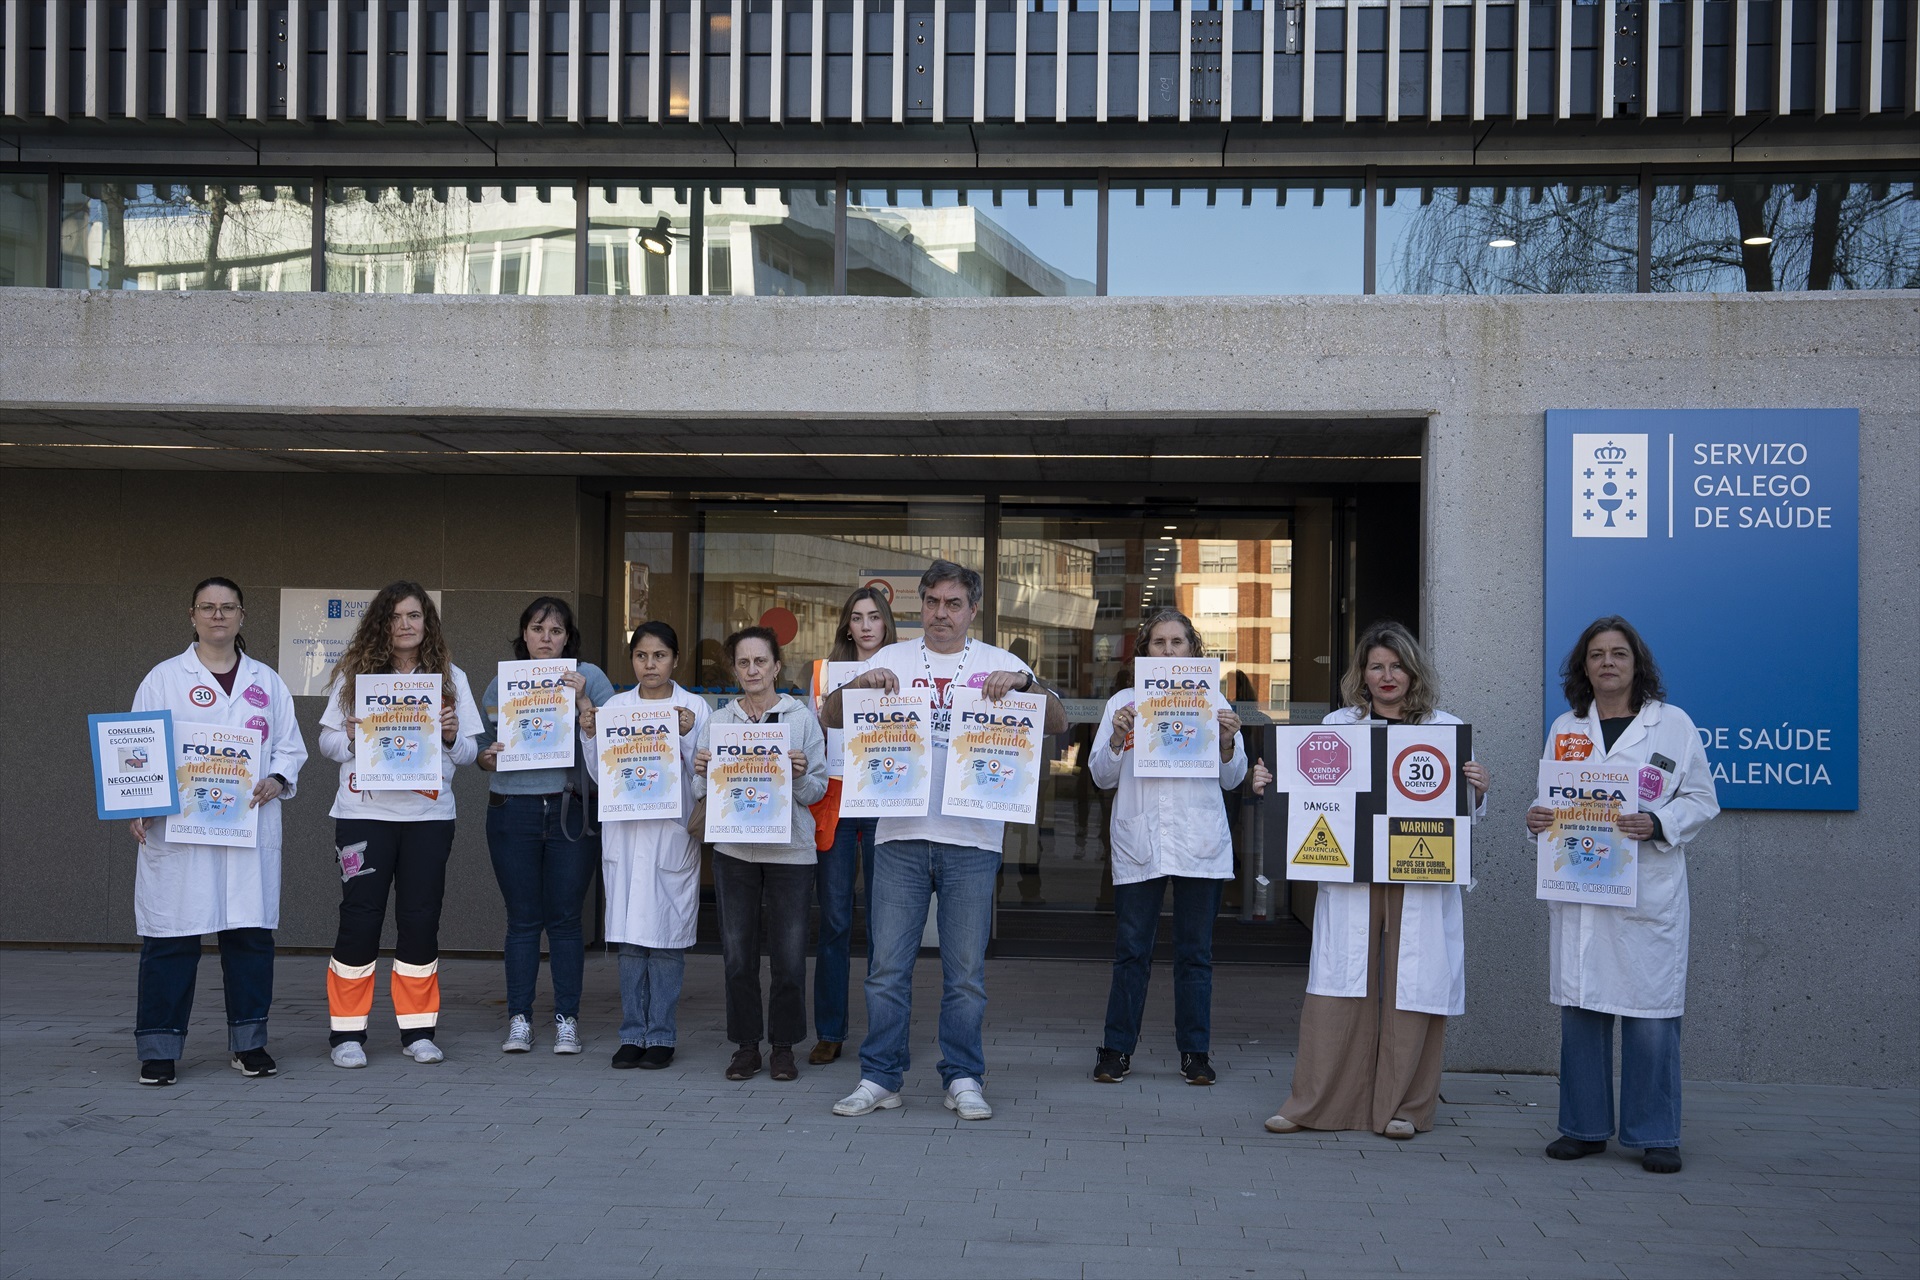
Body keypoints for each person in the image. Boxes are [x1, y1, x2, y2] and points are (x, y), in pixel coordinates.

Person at [821, 560, 1067, 1120]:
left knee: (965, 974)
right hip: (900, 834)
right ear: (921, 605)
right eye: (932, 602)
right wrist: (858, 684)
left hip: (973, 840)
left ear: (972, 610)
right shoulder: (892, 658)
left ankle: (963, 1076)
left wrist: (1028, 685)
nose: (941, 613)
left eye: (953, 604)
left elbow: (1056, 720)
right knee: (887, 969)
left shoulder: (1000, 664)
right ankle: (880, 1077)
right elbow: (831, 715)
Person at [1260, 620, 1489, 1139]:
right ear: (1361, 674)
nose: (1387, 676)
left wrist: (1477, 791)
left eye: (1397, 665)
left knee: (1416, 983)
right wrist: (1269, 782)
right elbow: (1304, 793)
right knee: (1338, 979)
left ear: (1413, 671)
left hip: (1419, 875)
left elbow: (1462, 819)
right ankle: (1315, 1105)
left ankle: (1405, 1107)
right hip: (1353, 875)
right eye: (1376, 665)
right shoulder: (1337, 727)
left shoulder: (1445, 730)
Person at [1527, 616, 1719, 1175]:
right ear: (1583, 667)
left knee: (1651, 1015)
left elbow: (1703, 800)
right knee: (1582, 1009)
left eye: (1618, 653)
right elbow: (1556, 802)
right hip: (1583, 889)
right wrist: (1538, 818)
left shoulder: (1672, 726)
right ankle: (1583, 1128)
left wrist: (1657, 822)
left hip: (1645, 896)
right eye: (1596, 654)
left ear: (1638, 664)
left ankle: (1656, 1133)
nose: (1607, 663)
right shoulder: (1566, 725)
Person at [126, 578, 307, 1086]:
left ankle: (249, 1044)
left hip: (247, 827)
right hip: (179, 833)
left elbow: (290, 748)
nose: (218, 616)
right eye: (208, 607)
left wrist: (277, 778)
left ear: (242, 616)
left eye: (228, 607)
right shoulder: (163, 679)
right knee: (171, 939)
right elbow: (137, 745)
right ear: (192, 616)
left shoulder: (266, 682)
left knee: (249, 938)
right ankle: (159, 1048)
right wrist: (138, 805)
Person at [318, 582, 483, 1068]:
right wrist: (349, 735)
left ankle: (418, 1031)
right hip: (362, 815)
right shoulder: (357, 675)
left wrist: (452, 735)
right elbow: (326, 745)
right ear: (380, 624)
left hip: (429, 818)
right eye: (395, 617)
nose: (405, 625)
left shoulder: (451, 677)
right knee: (359, 920)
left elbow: (471, 753)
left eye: (414, 616)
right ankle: (347, 1035)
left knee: (419, 921)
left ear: (427, 622)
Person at [1087, 608, 1248, 1087]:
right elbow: (1101, 776)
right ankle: (1116, 1049)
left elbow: (1233, 777)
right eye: (1159, 642)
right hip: (1143, 840)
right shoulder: (1124, 702)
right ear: (1145, 651)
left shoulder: (1214, 699)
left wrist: (1225, 741)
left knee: (1195, 953)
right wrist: (1117, 736)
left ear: (1193, 650)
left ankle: (1195, 1053)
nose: (1169, 651)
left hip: (1198, 841)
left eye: (1178, 642)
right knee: (1132, 951)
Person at [476, 597, 617, 1056]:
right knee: (521, 920)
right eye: (538, 629)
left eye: (556, 631)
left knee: (565, 921)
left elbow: (619, 741)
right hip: (511, 808)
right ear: (524, 634)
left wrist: (582, 702)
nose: (546, 639)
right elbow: (480, 750)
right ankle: (519, 1019)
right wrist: (487, 754)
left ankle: (566, 1020)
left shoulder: (590, 677)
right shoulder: (503, 682)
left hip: (568, 808)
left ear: (567, 637)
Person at [694, 627, 829, 1083]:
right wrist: (701, 771)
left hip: (791, 851)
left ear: (776, 666)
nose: (752, 670)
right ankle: (747, 1046)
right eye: (744, 663)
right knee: (738, 955)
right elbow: (701, 791)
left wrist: (800, 773)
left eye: (761, 662)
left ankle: (785, 1047)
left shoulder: (801, 720)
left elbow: (817, 791)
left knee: (789, 957)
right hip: (735, 851)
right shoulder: (719, 722)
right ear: (735, 670)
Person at [587, 621, 708, 1070]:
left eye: (659, 656)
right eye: (642, 656)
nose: (650, 664)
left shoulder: (692, 707)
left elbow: (704, 778)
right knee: (631, 944)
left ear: (675, 659)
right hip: (627, 834)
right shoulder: (616, 707)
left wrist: (690, 734)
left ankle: (662, 1035)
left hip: (669, 836)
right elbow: (601, 775)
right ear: (632, 660)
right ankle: (631, 1034)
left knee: (666, 943)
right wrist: (589, 734)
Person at [807, 586, 897, 1065]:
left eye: (874, 616)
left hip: (885, 797)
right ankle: (830, 1031)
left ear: (886, 623)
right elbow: (811, 731)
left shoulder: (910, 668)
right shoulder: (824, 673)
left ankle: (886, 1033)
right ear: (847, 625)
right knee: (836, 921)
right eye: (857, 617)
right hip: (836, 802)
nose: (865, 625)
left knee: (887, 926)